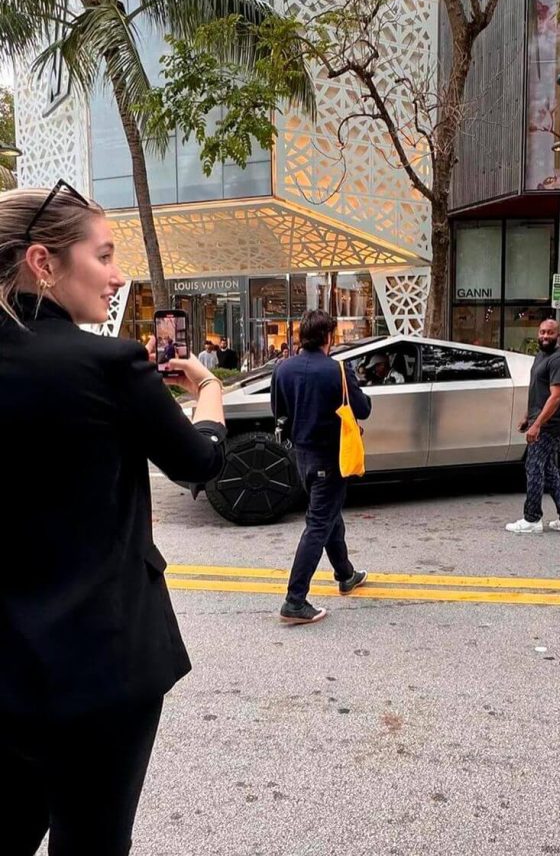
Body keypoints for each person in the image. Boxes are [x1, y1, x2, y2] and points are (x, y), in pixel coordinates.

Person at [0, 184, 226, 856]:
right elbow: (197, 464)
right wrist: (210, 396)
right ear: (44, 261)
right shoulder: (106, 365)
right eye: (103, 255)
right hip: (102, 664)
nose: (118, 274)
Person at [271, 310, 372, 624]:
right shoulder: (338, 370)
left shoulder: (282, 369)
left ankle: (346, 574)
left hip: (301, 455)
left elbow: (278, 410)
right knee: (319, 523)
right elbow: (363, 409)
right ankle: (295, 599)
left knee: (328, 515)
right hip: (331, 456)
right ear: (329, 337)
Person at [506, 318, 560, 536]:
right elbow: (539, 392)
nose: (545, 336)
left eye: (550, 333)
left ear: (558, 335)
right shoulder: (541, 355)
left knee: (534, 467)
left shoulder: (558, 360)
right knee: (548, 470)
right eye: (542, 332)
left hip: (550, 425)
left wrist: (537, 424)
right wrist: (527, 417)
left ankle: (532, 519)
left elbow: (557, 397)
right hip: (540, 421)